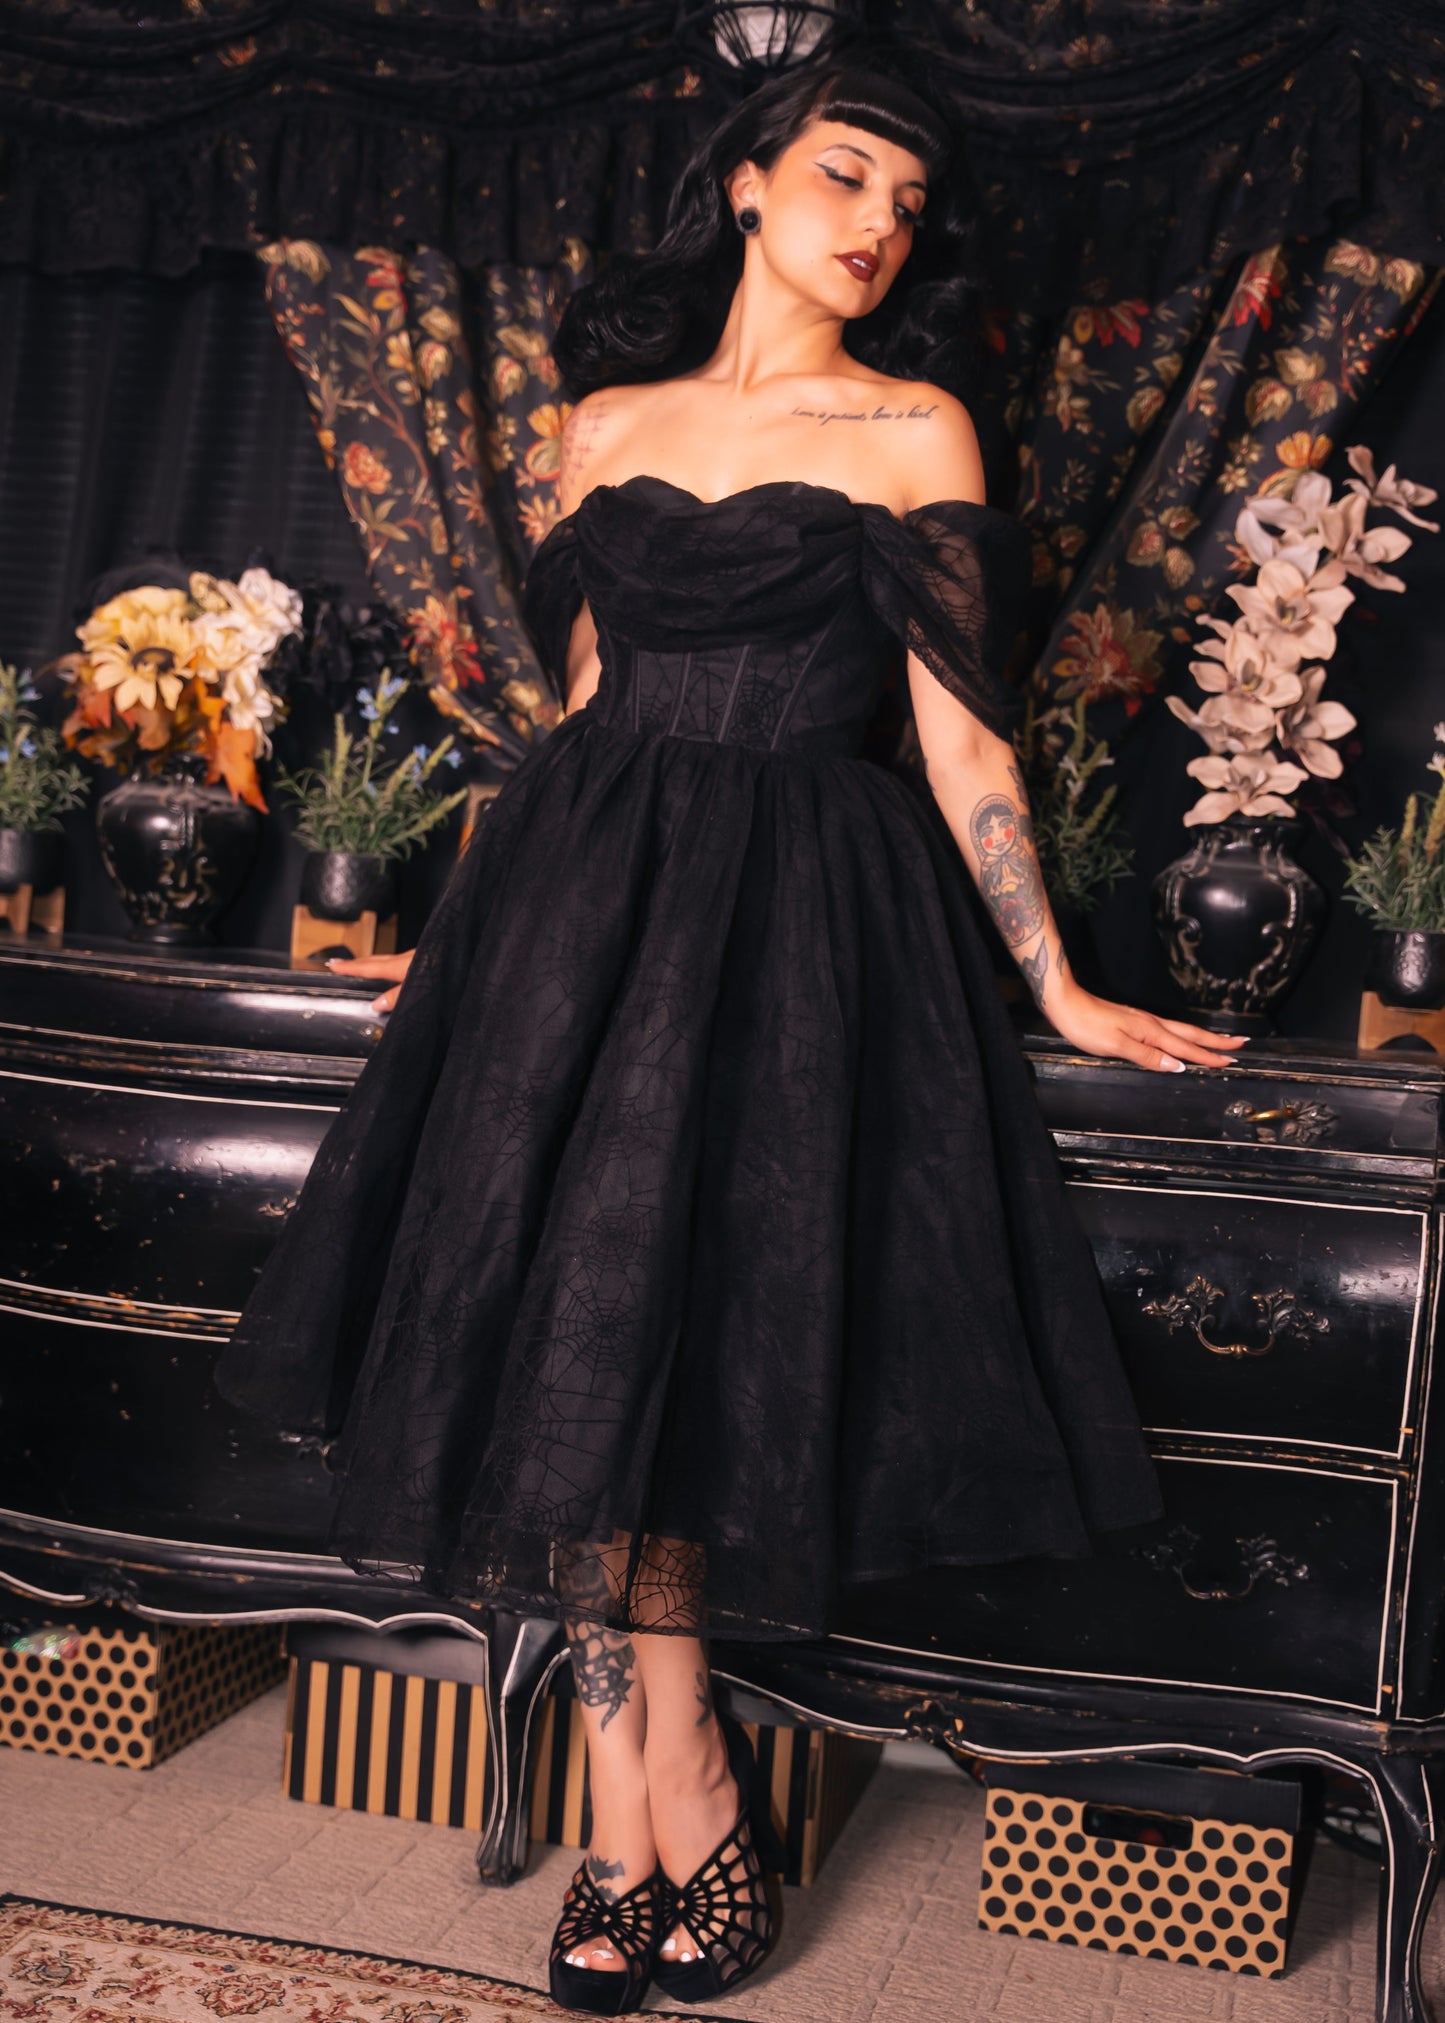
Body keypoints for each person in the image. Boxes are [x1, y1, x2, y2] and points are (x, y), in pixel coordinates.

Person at [215, 56, 1248, 2018]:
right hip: (578, 915)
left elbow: (957, 728)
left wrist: (1052, 976)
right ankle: (654, 1801)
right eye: (847, 174)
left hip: (790, 917)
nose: (881, 221)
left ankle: (654, 1815)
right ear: (749, 187)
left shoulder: (915, 423)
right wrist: (456, 937)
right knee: (567, 1356)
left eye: (913, 202)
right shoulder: (603, 421)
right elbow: (578, 710)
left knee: (672, 1360)